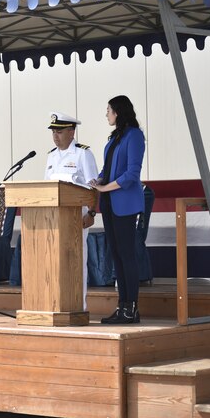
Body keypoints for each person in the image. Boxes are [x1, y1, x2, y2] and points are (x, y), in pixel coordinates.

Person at [90, 95, 146, 324]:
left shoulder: (135, 135)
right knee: (116, 256)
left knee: (127, 256)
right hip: (110, 204)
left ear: (118, 112)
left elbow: (132, 174)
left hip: (125, 204)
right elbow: (108, 168)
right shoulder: (115, 137)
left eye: (109, 110)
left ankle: (131, 307)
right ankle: (122, 305)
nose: (106, 114)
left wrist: (105, 187)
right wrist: (98, 180)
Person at [45, 112, 98, 310]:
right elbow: (47, 189)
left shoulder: (83, 154)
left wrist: (91, 213)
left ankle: (78, 307)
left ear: (71, 131)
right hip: (52, 220)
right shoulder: (51, 156)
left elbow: (93, 187)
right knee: (54, 263)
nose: (55, 136)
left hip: (77, 218)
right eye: (53, 132)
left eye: (59, 131)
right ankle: (56, 305)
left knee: (76, 263)